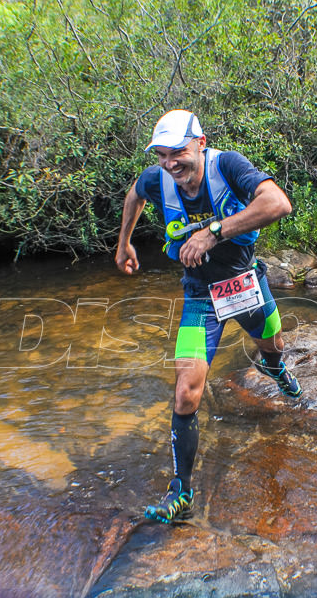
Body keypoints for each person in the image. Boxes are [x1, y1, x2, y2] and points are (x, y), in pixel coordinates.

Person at [115, 109, 302, 524]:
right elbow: (135, 193)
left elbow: (278, 203)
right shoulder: (157, 177)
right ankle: (180, 492)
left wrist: (213, 231)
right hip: (199, 297)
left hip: (244, 285)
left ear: (200, 142)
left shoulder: (228, 165)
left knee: (273, 347)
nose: (169, 163)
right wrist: (124, 242)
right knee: (185, 393)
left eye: (178, 152)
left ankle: (276, 369)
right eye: (162, 155)